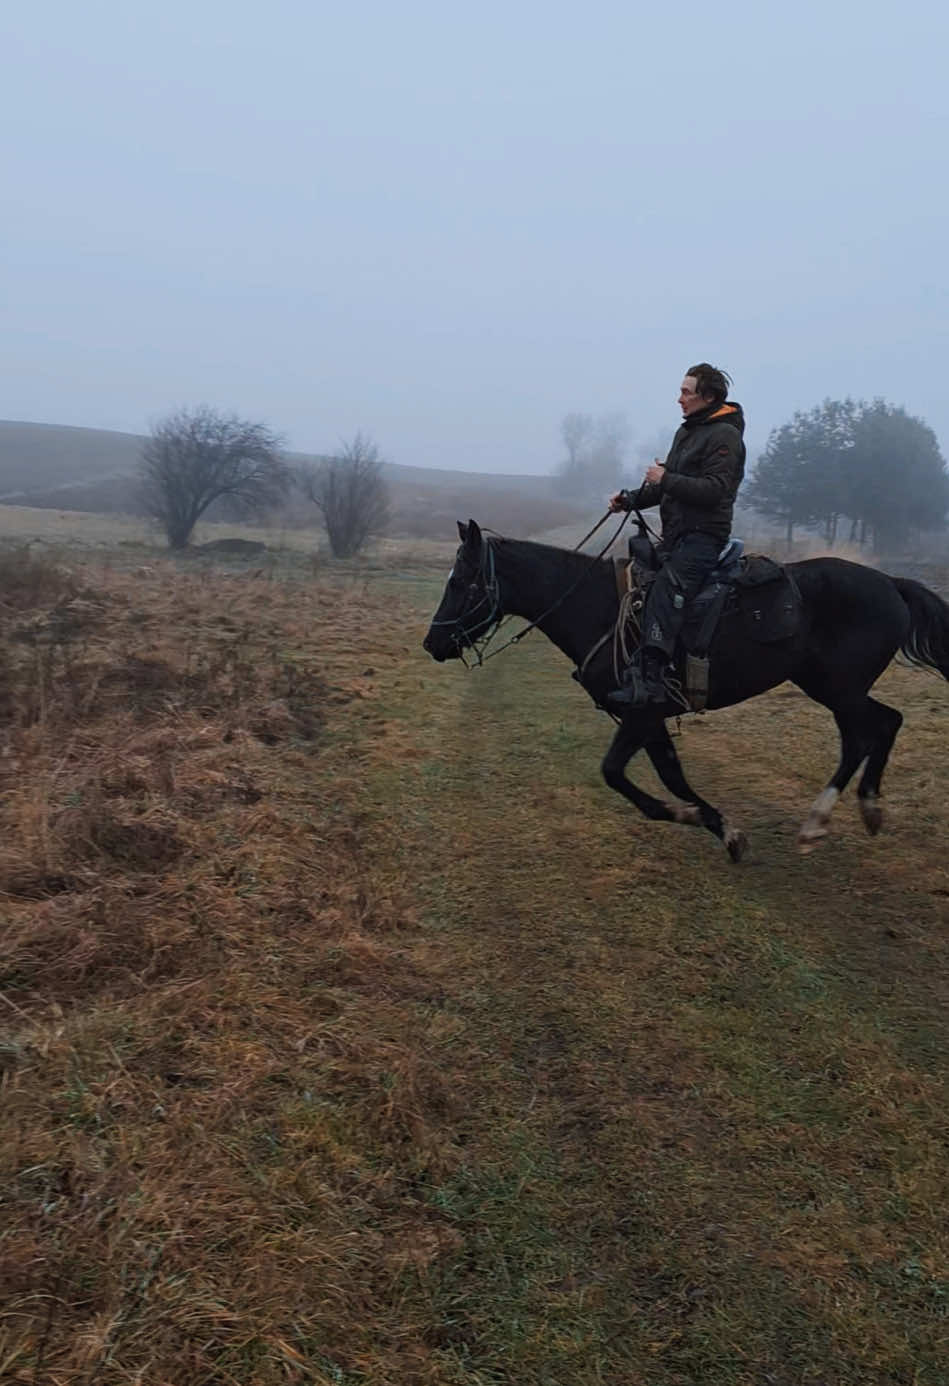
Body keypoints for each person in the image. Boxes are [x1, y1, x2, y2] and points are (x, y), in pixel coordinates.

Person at [606, 363, 746, 707]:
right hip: (677, 536)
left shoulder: (725, 436)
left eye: (686, 392)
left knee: (667, 589)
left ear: (708, 397)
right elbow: (669, 489)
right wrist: (630, 500)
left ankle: (652, 681)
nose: (679, 399)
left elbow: (716, 489)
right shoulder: (688, 432)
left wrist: (664, 478)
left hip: (703, 538)